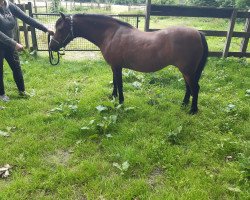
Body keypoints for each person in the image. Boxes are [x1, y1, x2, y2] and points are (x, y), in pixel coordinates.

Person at [0, 0, 54, 102]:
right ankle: (1, 94)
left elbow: (27, 18)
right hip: (3, 44)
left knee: (16, 67)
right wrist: (14, 43)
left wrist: (45, 29)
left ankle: (22, 91)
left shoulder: (9, 6)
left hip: (10, 45)